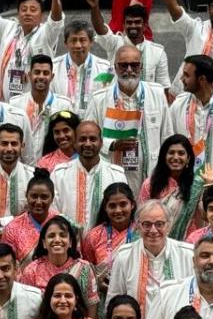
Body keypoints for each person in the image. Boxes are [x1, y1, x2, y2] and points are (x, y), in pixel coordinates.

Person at [86, 45, 172, 193]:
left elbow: (167, 137)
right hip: (114, 177)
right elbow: (87, 137)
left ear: (142, 67)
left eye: (135, 65)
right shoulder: (99, 99)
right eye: (124, 65)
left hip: (152, 176)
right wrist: (113, 144)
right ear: (115, 67)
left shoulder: (156, 93)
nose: (129, 70)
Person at [107, 200, 194, 318]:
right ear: (138, 226)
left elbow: (195, 298)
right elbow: (114, 301)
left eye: (159, 224)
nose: (153, 230)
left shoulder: (187, 255)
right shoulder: (125, 256)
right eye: (147, 224)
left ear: (169, 225)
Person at [165, 55, 213, 172]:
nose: (181, 79)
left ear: (202, 79)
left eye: (186, 75)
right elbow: (169, 143)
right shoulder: (178, 105)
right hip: (185, 181)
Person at [51, 121, 128, 230]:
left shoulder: (116, 175)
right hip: (68, 241)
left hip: (106, 243)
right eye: (82, 139)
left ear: (101, 143)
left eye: (93, 139)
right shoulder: (59, 175)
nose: (87, 144)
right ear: (74, 143)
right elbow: (52, 211)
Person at [18, 216, 99, 314]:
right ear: (44, 243)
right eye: (51, 236)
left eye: (62, 235)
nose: (57, 240)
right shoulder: (31, 271)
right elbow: (26, 308)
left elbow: (91, 307)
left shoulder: (84, 269)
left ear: (70, 242)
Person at [89, 0, 169, 90]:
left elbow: (164, 87)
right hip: (117, 103)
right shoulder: (114, 43)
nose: (133, 26)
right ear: (123, 25)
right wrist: (94, 7)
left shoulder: (157, 52)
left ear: (145, 26)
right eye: (129, 22)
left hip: (146, 104)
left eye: (137, 22)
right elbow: (100, 28)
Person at [8, 56, 74, 164]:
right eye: (37, 72)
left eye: (45, 73)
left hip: (53, 168)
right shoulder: (15, 104)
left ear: (52, 77)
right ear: (29, 75)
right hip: (23, 167)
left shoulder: (64, 105)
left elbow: (70, 139)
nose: (41, 76)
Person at [139, 135, 203, 240]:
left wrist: (210, 185)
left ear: (188, 158)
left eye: (181, 153)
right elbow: (141, 217)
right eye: (171, 153)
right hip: (156, 240)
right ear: (164, 157)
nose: (176, 157)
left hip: (187, 242)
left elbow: (204, 216)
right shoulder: (150, 184)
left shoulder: (196, 185)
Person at [79, 181, 136, 291]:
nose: (118, 210)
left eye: (123, 204)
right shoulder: (94, 236)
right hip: (102, 296)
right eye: (112, 206)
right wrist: (97, 283)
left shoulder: (141, 233)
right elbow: (86, 271)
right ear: (105, 207)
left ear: (132, 204)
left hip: (133, 294)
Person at [50, 21, 113, 118]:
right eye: (73, 40)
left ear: (91, 42)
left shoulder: (106, 69)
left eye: (82, 40)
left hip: (93, 127)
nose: (78, 45)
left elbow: (107, 102)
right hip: (63, 126)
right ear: (66, 43)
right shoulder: (53, 68)